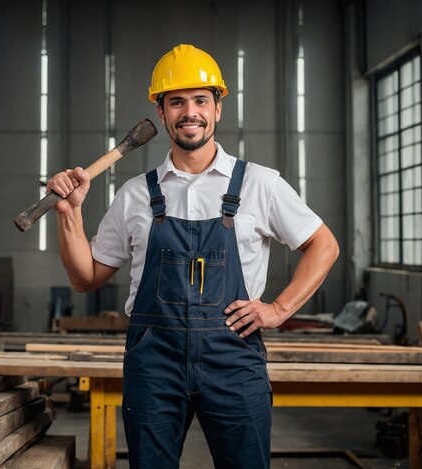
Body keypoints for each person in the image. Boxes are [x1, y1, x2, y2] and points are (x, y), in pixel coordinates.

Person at [47, 44, 339, 469]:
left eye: (201, 100)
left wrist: (278, 309)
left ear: (218, 109)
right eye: (176, 101)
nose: (190, 111)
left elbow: (324, 244)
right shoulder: (134, 195)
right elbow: (86, 277)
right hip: (154, 363)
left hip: (233, 359)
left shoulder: (260, 184)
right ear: (162, 113)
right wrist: (70, 214)